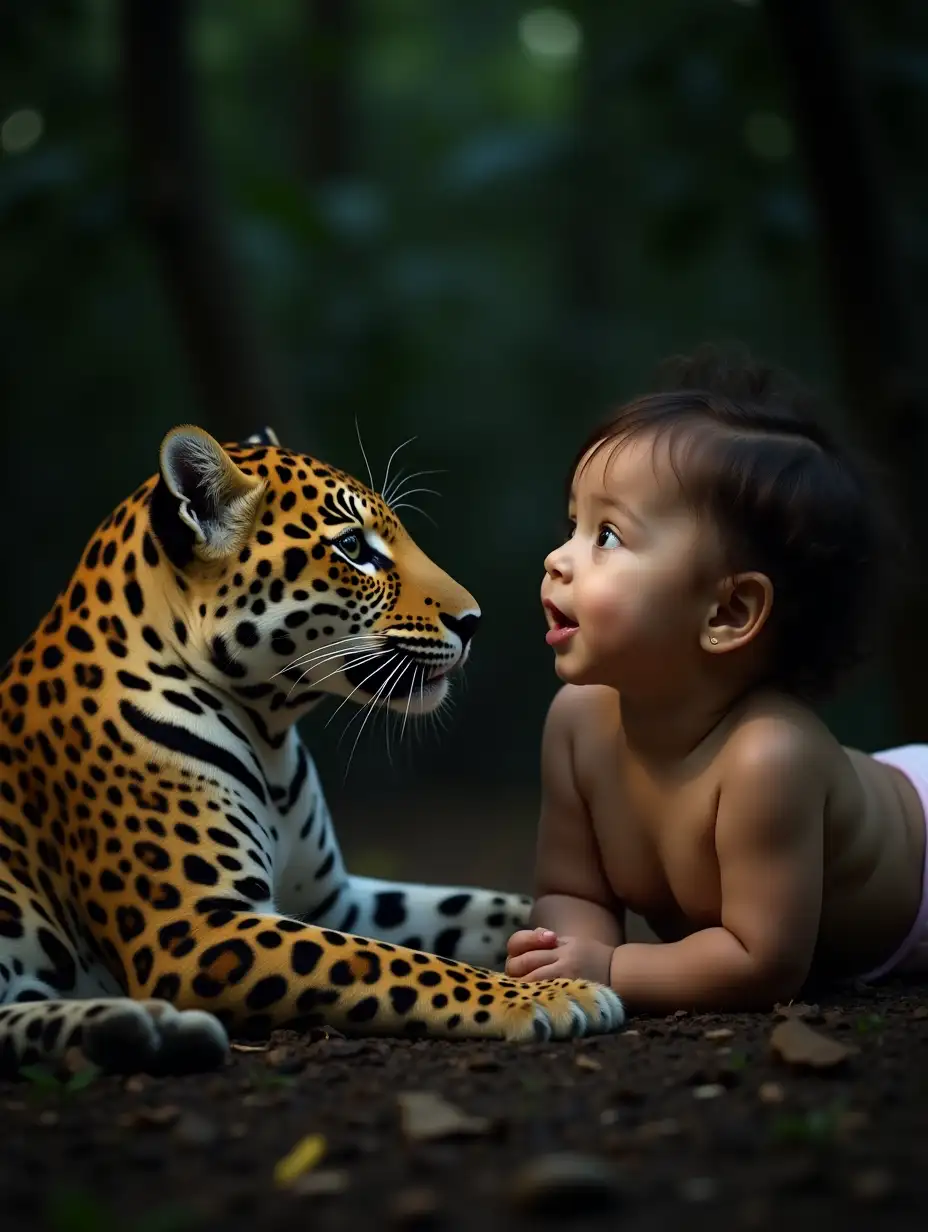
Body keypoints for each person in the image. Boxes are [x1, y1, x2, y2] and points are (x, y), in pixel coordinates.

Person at [504, 346, 924, 1013]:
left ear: (727, 612)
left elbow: (762, 961)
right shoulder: (579, 723)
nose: (559, 559)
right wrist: (568, 958)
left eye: (606, 535)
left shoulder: (767, 757)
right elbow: (574, 890)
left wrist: (612, 966)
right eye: (573, 524)